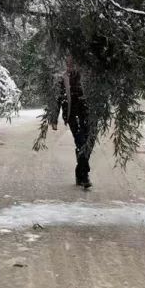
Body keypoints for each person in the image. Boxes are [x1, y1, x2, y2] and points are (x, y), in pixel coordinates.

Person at [49, 56, 93, 189]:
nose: (70, 66)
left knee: (89, 144)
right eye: (68, 64)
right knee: (81, 142)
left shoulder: (88, 76)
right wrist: (54, 118)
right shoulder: (63, 79)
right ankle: (84, 175)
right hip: (73, 116)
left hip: (90, 115)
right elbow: (57, 99)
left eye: (73, 64)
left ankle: (79, 171)